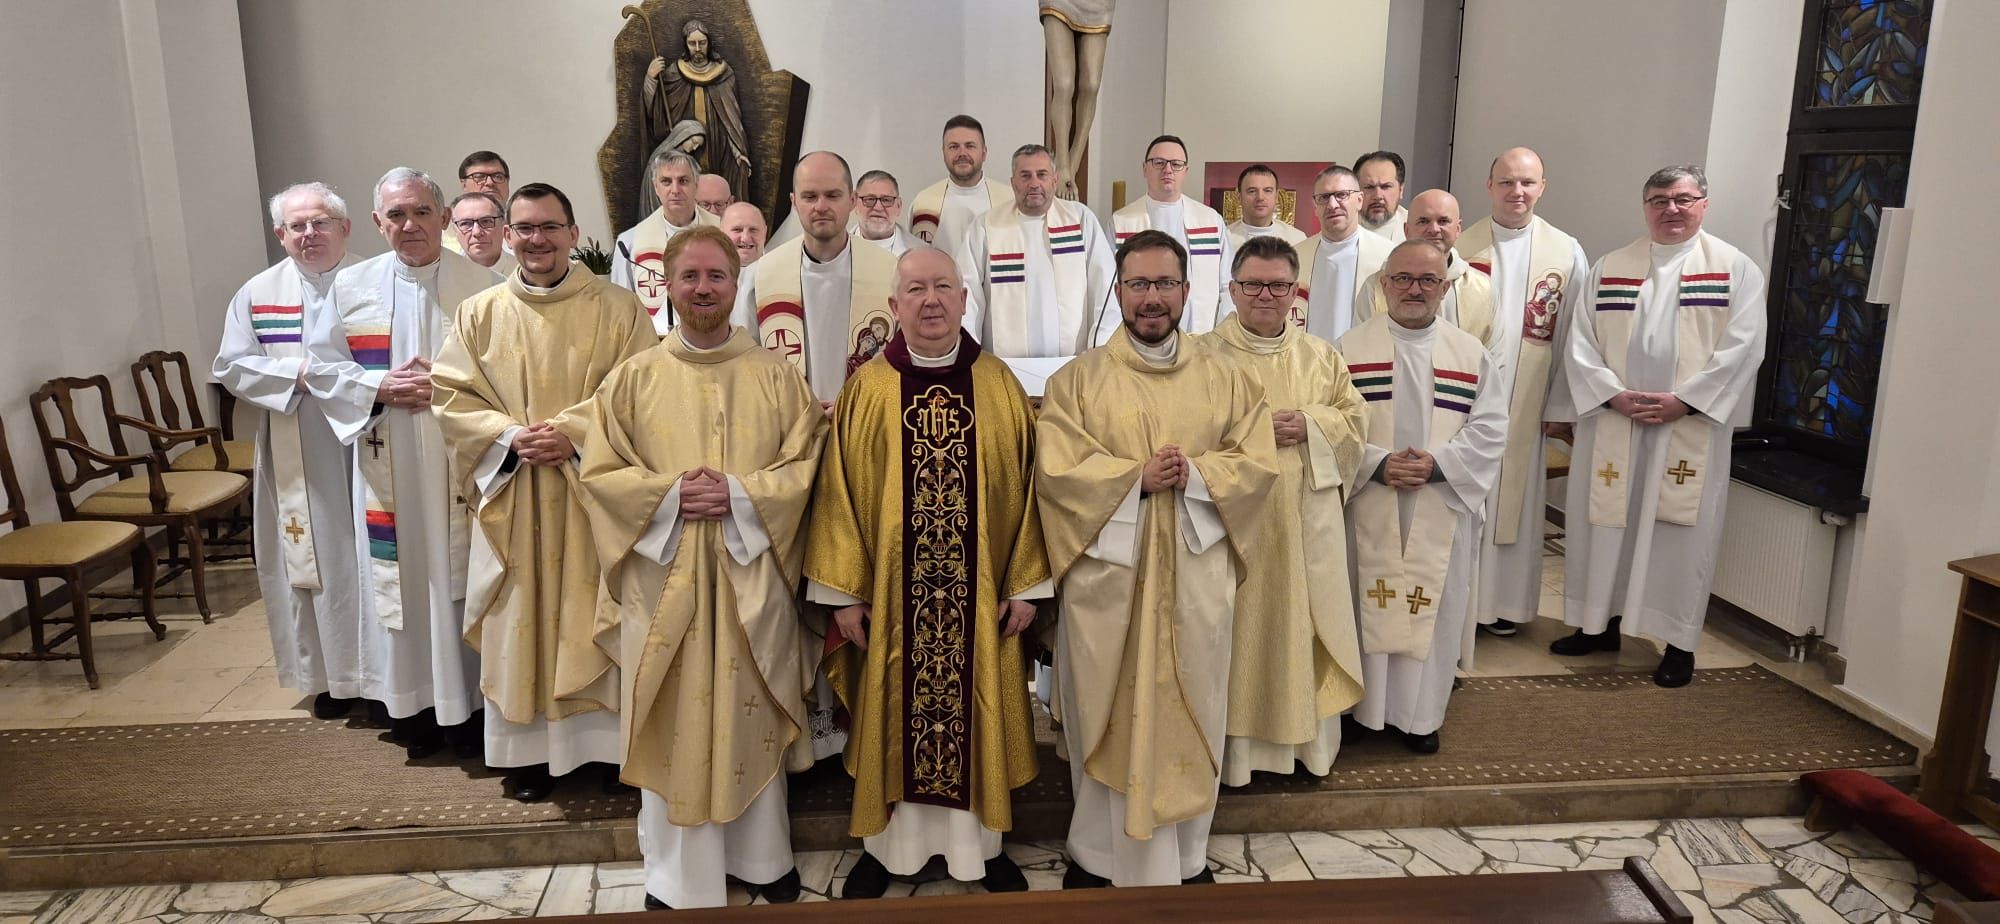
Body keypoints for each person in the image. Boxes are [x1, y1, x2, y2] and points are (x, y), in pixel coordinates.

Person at [576, 227, 825, 909]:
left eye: (717, 275)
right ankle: (679, 878)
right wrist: (669, 496)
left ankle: (763, 858)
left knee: (751, 709)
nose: (704, 289)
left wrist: (740, 496)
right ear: (668, 285)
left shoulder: (777, 376)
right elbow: (600, 473)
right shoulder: (633, 378)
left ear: (737, 283)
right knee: (674, 719)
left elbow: (806, 466)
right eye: (690, 276)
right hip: (662, 583)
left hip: (752, 579)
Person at [805, 248, 1050, 898]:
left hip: (983, 604)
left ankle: (981, 849)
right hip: (890, 606)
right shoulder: (867, 389)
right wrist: (842, 595)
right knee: (891, 709)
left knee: (978, 710)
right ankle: (888, 850)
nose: (932, 300)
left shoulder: (998, 385)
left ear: (965, 300)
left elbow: (1032, 491)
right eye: (916, 289)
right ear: (895, 306)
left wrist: (1026, 585)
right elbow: (837, 497)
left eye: (944, 286)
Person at [1038, 230, 1279, 888]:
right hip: (1108, 585)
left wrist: (1196, 475)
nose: (1152, 298)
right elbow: (1056, 473)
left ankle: (1185, 857)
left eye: (1165, 284)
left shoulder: (1228, 377)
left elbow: (1257, 464)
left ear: (1186, 290)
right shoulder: (1077, 381)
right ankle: (1097, 854)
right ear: (1118, 291)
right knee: (1103, 709)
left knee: (1192, 705)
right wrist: (1132, 480)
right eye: (1139, 284)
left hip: (1195, 578)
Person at [430, 182, 658, 800]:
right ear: (508, 237)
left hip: (592, 494)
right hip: (516, 494)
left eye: (550, 227)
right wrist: (509, 437)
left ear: (573, 234)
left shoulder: (619, 308)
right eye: (525, 228)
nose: (538, 240)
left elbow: (641, 389)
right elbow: (451, 396)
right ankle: (527, 754)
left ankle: (604, 750)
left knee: (596, 611)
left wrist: (573, 434)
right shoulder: (479, 313)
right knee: (520, 616)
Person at [1551, 165, 1767, 688]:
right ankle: (1598, 625)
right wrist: (1612, 394)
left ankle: (1678, 644)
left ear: (1703, 204)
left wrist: (1686, 402)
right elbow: (1579, 341)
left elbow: (1743, 348)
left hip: (1686, 429)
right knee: (1604, 527)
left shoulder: (1735, 270)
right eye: (1659, 200)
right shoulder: (1610, 267)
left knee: (1679, 538)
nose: (1671, 209)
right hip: (1614, 422)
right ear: (1645, 207)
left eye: (1682, 199)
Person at [314, 168, 500, 757]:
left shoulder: (486, 285)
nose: (410, 224)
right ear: (377, 222)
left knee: (461, 578)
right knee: (400, 582)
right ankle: (411, 705)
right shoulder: (350, 287)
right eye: (396, 214)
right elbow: (322, 367)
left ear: (444, 219)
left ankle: (470, 708)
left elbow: (509, 371)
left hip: (458, 462)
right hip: (385, 457)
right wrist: (377, 387)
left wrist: (443, 385)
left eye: (421, 212)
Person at [1204, 235, 1367, 785]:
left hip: (1303, 524)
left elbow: (1355, 422)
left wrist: (1314, 424)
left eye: (1278, 286)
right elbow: (1183, 427)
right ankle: (1234, 757)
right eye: (1252, 285)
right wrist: (1254, 432)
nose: (1265, 296)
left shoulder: (1321, 356)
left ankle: (1303, 749)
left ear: (1296, 291)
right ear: (1232, 290)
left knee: (1299, 625)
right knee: (1233, 632)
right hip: (1231, 524)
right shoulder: (1202, 356)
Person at [1337, 241, 1507, 755]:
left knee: (1436, 603)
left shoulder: (1470, 354)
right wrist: (1375, 463)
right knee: (1360, 599)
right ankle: (1360, 710)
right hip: (1369, 498)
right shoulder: (1347, 350)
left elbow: (1491, 428)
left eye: (1428, 280)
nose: (1415, 289)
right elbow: (1330, 427)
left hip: (1440, 501)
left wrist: (1439, 465)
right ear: (1384, 284)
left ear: (1445, 287)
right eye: (1404, 278)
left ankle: (1420, 716)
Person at [214, 181, 363, 721]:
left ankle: (388, 678)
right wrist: (300, 374)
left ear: (345, 227)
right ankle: (329, 677)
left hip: (372, 439)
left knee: (374, 556)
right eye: (296, 226)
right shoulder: (258, 293)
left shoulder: (376, 280)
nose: (309, 234)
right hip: (299, 438)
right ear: (281, 235)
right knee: (315, 557)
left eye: (320, 222)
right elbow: (230, 365)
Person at [1458, 147, 1590, 639]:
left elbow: (1576, 333)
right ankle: (1462, 602)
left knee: (1516, 502)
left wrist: (1560, 405)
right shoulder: (1462, 246)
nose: (1517, 192)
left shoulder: (1566, 252)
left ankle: (1504, 606)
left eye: (1527, 182)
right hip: (1467, 398)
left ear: (1542, 188)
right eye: (1507, 181)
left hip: (1529, 400)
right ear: (1489, 186)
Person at [731, 152, 899, 407]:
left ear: (852, 200)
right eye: (810, 196)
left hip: (869, 416)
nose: (821, 206)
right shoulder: (760, 275)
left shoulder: (890, 271)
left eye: (832, 195)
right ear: (794, 202)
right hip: (788, 420)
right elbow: (743, 360)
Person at [956, 144, 1114, 363]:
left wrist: (1099, 350)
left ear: (1054, 180)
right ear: (1013, 183)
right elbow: (967, 295)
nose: (1034, 183)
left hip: (1073, 363)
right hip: (1004, 366)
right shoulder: (986, 226)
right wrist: (969, 356)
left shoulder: (1080, 220)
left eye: (1042, 175)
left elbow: (1105, 290)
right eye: (1025, 176)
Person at [1103, 135, 1233, 339]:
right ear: (1145, 169)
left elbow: (1228, 285)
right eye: (1159, 163)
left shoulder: (1210, 221)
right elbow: (1109, 289)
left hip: (1201, 339)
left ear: (1185, 171)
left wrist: (1220, 337)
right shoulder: (1121, 222)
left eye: (1176, 164)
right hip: (1139, 337)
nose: (1168, 170)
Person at [1353, 190, 1496, 345]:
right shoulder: (1376, 286)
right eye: (1423, 221)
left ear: (1458, 229)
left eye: (1443, 221)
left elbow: (1493, 353)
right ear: (1406, 230)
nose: (1434, 229)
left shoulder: (1484, 288)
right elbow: (1360, 346)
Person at [615, 149, 722, 333]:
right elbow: (621, 308)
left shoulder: (724, 233)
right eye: (666, 181)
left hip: (715, 338)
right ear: (656, 187)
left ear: (696, 185)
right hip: (655, 342)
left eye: (683, 181)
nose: (675, 190)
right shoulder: (629, 243)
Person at [643, 18, 751, 200]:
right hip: (686, 153)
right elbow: (655, 111)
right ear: (685, 45)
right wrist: (651, 78)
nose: (698, 48)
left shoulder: (723, 73)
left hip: (717, 149)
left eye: (702, 42)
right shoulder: (674, 73)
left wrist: (738, 151)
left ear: (709, 43)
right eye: (692, 43)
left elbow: (731, 118)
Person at [1288, 164, 1392, 344]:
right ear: (1315, 206)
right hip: (1307, 356)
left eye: (1341, 195)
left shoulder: (1387, 256)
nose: (1332, 204)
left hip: (1363, 354)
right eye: (1324, 197)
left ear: (1359, 200)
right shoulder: (1294, 256)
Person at [909, 115, 1014, 256]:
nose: (962, 153)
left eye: (970, 146)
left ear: (984, 153)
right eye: (954, 147)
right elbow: (914, 257)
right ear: (944, 153)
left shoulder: (1009, 199)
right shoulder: (923, 202)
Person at [444, 151, 510, 256]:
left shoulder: (523, 228)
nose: (490, 183)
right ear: (464, 185)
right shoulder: (443, 236)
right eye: (479, 177)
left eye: (498, 176)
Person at [1226, 164, 1305, 248]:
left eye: (1267, 190)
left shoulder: (1297, 239)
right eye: (1252, 191)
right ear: (1239, 196)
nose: (1260, 197)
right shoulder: (1225, 238)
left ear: (1276, 196)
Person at [853, 170, 921, 256]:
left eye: (886, 200)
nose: (878, 207)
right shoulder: (837, 249)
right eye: (870, 199)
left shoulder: (921, 253)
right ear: (854, 203)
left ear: (899, 206)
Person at [448, 192, 516, 275]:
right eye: (466, 223)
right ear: (455, 230)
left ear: (503, 225)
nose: (477, 232)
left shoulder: (524, 273)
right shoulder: (444, 274)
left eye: (486, 221)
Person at [1354, 151, 1408, 242]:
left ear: (1401, 190)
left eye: (1386, 186)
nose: (1378, 196)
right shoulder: (1340, 230)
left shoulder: (1418, 229)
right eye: (1369, 187)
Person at [720, 201, 767, 269]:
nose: (745, 238)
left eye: (753, 230)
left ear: (765, 232)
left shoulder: (781, 270)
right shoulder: (706, 268)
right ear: (721, 233)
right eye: (737, 230)